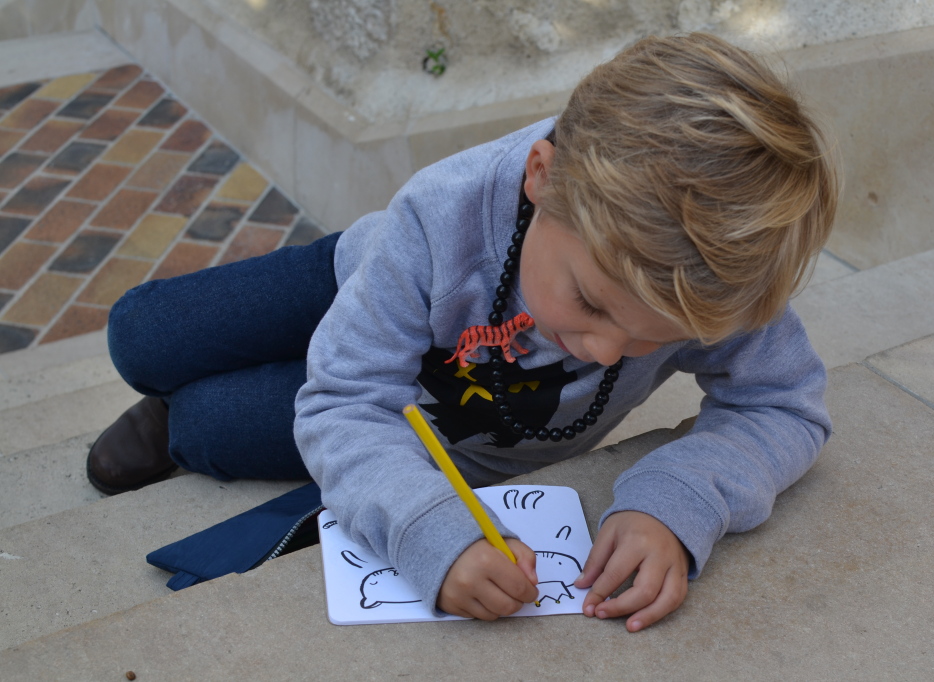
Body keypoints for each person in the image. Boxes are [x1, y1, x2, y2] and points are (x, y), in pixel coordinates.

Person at [88, 33, 838, 632]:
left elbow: (785, 405)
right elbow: (345, 397)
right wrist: (419, 528)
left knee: (206, 425)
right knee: (141, 335)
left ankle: (178, 416)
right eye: (592, 303)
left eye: (650, 341)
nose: (606, 351)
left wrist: (676, 500)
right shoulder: (439, 214)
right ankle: (229, 363)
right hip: (368, 278)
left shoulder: (712, 281)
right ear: (540, 178)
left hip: (446, 421)